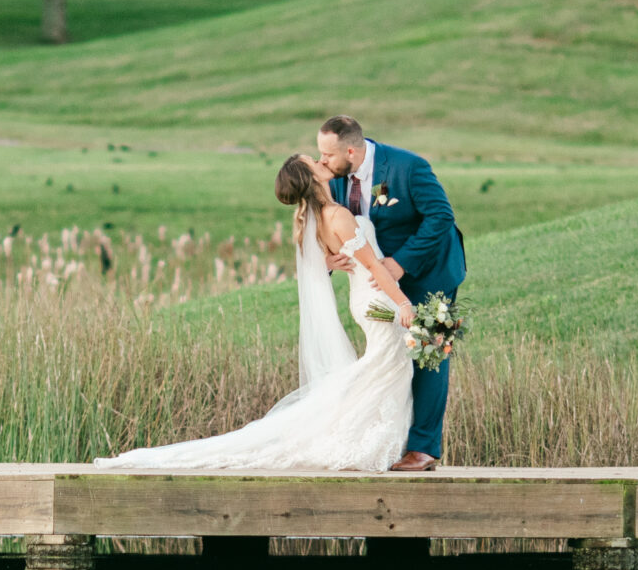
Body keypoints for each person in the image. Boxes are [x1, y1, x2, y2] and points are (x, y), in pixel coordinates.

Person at [96, 153, 416, 472]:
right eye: (314, 162)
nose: (322, 162)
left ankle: (364, 437)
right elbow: (374, 264)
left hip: (367, 301)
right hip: (378, 301)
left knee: (390, 368)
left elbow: (329, 262)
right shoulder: (338, 216)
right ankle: (357, 440)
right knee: (389, 368)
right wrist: (403, 302)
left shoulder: (320, 221)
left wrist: (330, 261)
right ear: (312, 178)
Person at [314, 114, 466, 472]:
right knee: (390, 354)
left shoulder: (408, 167)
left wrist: (401, 264)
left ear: (350, 150)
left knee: (430, 352)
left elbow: (441, 218)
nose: (322, 161)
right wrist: (329, 256)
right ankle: (388, 440)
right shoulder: (334, 179)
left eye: (328, 155)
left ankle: (424, 448)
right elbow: (333, 224)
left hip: (430, 271)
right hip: (377, 281)